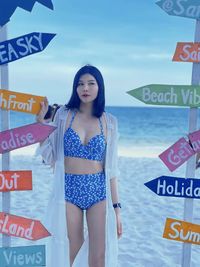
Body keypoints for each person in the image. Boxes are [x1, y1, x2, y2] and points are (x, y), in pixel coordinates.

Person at [36, 65, 122, 267]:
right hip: (68, 189)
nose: (85, 88)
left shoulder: (109, 122)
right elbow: (50, 157)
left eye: (91, 83)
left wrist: (117, 209)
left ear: (99, 87)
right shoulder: (64, 115)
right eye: (80, 84)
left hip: (98, 191)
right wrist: (40, 125)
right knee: (73, 253)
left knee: (98, 257)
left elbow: (112, 170)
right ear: (75, 88)